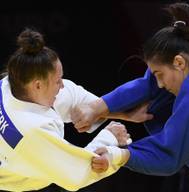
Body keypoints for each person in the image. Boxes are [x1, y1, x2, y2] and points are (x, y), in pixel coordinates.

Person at [71, 2, 189, 192]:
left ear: (178, 62)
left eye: (160, 74)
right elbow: (147, 85)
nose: (159, 83)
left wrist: (116, 155)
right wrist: (96, 107)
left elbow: (168, 156)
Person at [0, 28, 131, 192]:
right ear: (38, 85)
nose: (61, 85)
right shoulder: (30, 130)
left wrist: (117, 112)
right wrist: (110, 138)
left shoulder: (11, 83)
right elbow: (77, 173)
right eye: (58, 81)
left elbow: (74, 96)